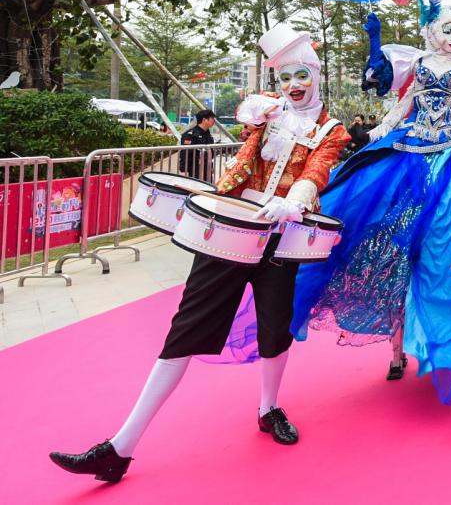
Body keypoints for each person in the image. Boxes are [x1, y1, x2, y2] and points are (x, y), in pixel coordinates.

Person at [49, 24, 349, 483]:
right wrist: (254, 124)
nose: (293, 85)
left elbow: (318, 169)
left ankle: (268, 408)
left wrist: (294, 201)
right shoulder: (267, 113)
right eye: (285, 77)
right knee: (186, 329)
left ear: (316, 75)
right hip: (231, 230)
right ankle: (120, 446)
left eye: (301, 76)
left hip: (282, 237)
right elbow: (245, 149)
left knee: (275, 328)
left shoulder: (331, 130)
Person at [289, 5, 451, 412]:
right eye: (447, 31)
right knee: (390, 249)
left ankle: (444, 341)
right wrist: (375, 128)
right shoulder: (417, 61)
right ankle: (396, 350)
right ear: (433, 33)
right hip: (407, 155)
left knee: (445, 252)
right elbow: (402, 103)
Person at [179, 109, 217, 182]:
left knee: (208, 186)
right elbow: (185, 153)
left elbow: (209, 152)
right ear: (204, 120)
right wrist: (183, 170)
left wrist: (211, 165)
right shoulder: (190, 135)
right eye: (212, 118)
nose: (214, 121)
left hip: (206, 168)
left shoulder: (208, 134)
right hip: (194, 169)